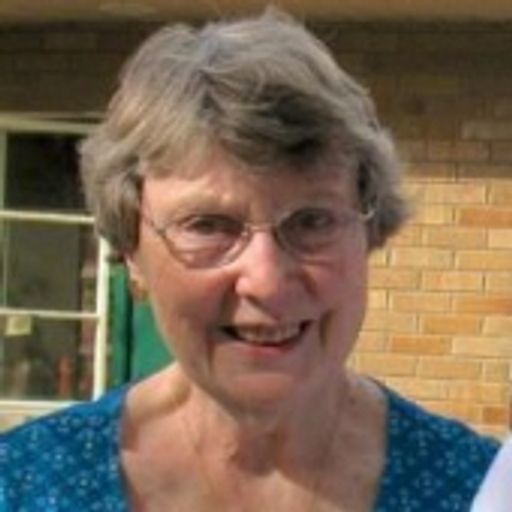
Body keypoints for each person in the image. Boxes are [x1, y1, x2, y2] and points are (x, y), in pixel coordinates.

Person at [0, 8, 500, 512]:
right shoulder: (24, 485)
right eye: (208, 226)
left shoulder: (481, 491)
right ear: (131, 249)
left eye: (311, 221)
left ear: (371, 230)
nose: (267, 281)